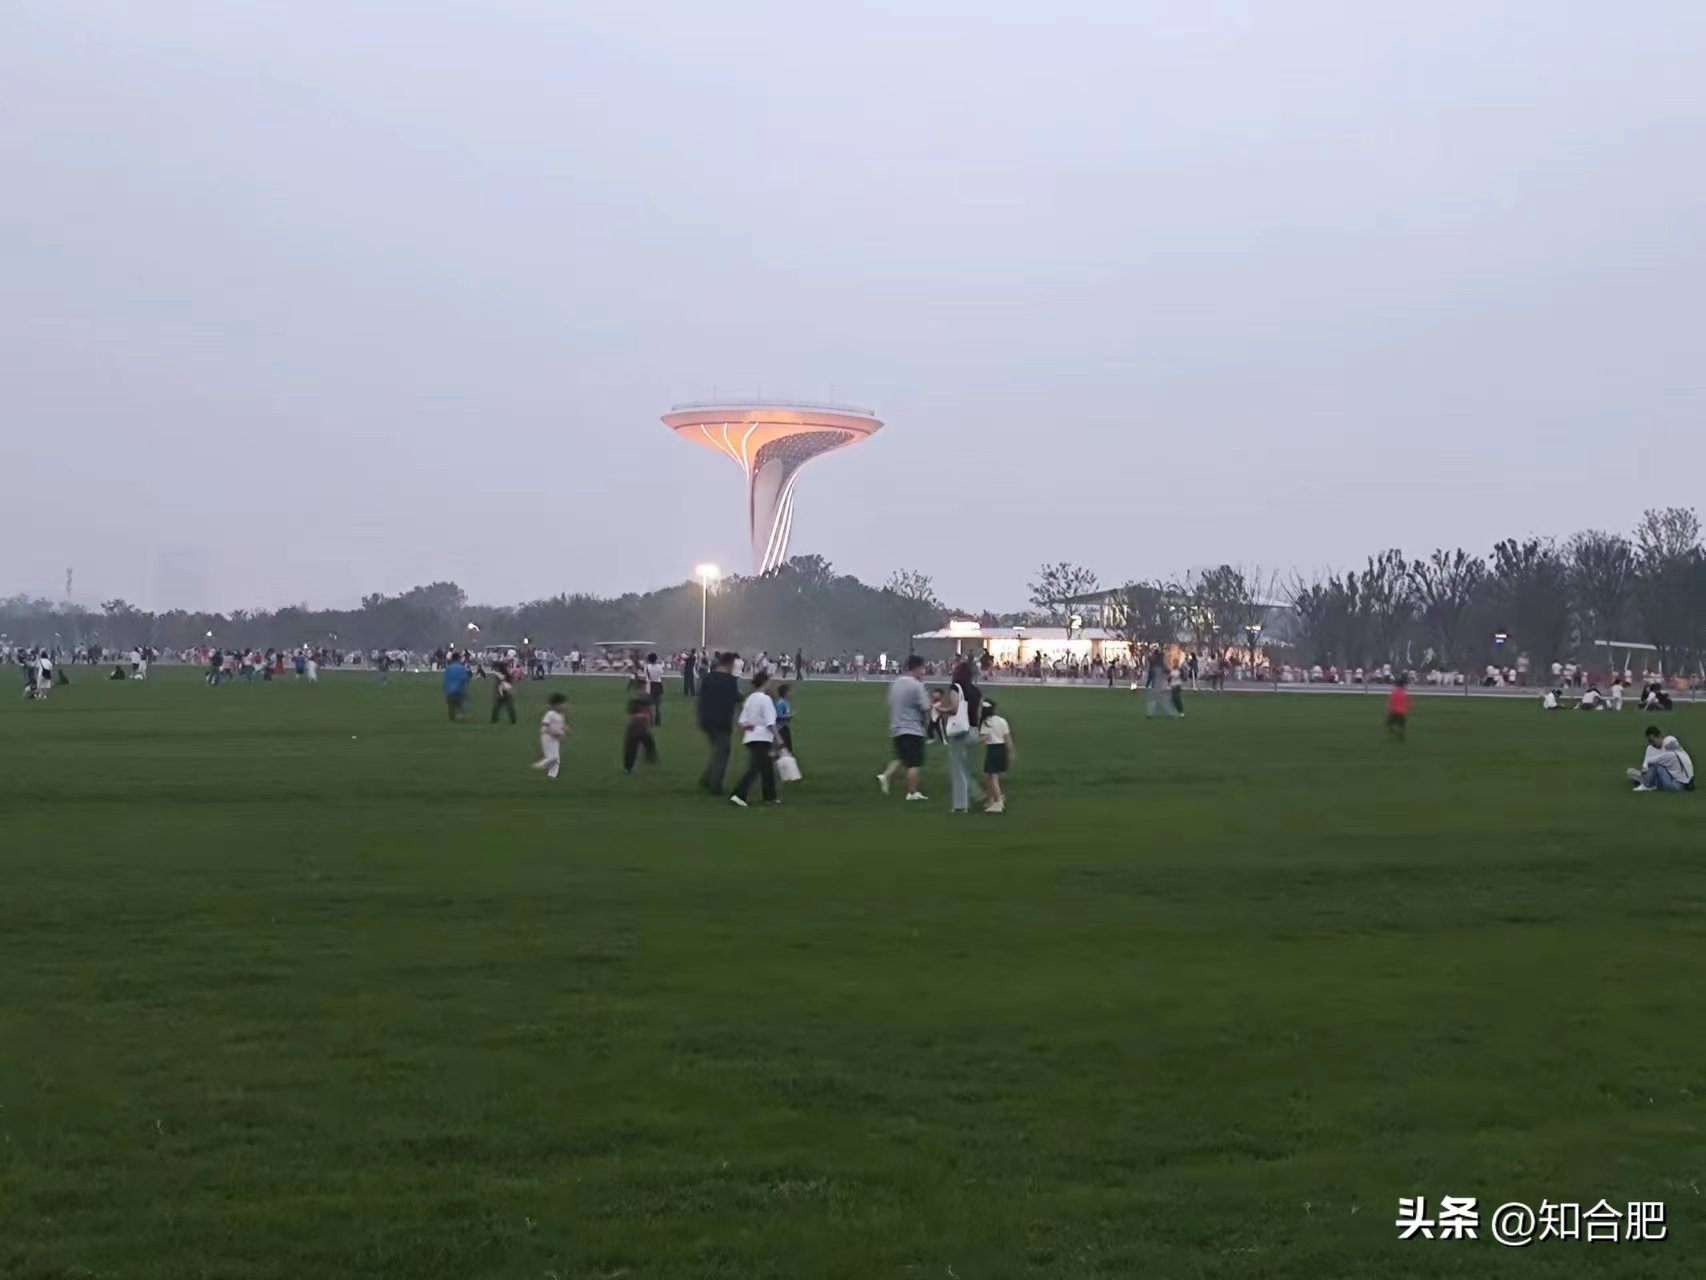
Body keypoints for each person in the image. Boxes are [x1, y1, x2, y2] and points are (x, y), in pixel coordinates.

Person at [879, 655, 931, 801]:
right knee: (914, 762)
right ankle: (912, 792)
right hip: (912, 727)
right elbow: (925, 708)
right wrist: (926, 726)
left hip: (897, 726)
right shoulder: (917, 685)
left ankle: (886, 776)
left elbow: (890, 703)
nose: (924, 672)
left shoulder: (895, 683)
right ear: (918, 668)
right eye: (923, 668)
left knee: (902, 757)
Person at [939, 660, 984, 813]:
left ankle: (960, 806)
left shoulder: (956, 687)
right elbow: (978, 712)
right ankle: (980, 796)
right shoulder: (976, 690)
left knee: (958, 770)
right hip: (974, 730)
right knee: (966, 769)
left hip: (960, 732)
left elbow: (955, 708)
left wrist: (940, 709)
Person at [730, 670, 779, 806]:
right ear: (765, 682)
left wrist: (749, 726)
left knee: (767, 766)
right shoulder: (766, 699)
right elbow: (770, 723)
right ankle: (739, 794)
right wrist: (779, 738)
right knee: (755, 767)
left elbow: (742, 721)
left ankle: (770, 796)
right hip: (763, 738)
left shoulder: (750, 698)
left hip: (751, 737)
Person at [697, 651, 739, 794]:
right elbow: (736, 700)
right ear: (730, 664)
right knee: (723, 753)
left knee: (717, 750)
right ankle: (715, 786)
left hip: (706, 720)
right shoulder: (731, 681)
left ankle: (706, 779)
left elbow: (701, 698)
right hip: (722, 721)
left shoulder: (707, 678)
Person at [1627, 726, 1695, 792]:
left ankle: (1646, 785)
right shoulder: (1650, 749)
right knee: (1630, 772)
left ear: (1660, 736)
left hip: (1676, 783)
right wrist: (1645, 767)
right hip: (1666, 776)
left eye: (1653, 741)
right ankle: (1648, 781)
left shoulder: (1669, 743)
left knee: (1656, 766)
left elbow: (1670, 756)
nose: (1652, 744)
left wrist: (1649, 763)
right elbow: (1646, 765)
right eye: (1650, 741)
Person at [979, 697, 1013, 814]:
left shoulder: (985, 722)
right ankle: (993, 798)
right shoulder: (1002, 720)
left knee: (992, 778)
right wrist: (1011, 752)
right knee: (991, 777)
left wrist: (974, 740)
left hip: (993, 750)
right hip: (1002, 748)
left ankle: (998, 802)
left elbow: (985, 738)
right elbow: (1007, 737)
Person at [622, 677, 659, 774]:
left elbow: (631, 713)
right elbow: (650, 710)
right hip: (640, 724)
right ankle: (647, 758)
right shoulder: (644, 697)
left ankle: (629, 766)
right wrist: (650, 721)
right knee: (638, 745)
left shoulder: (635, 697)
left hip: (635, 724)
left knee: (632, 746)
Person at [533, 692, 569, 779]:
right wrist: (549, 731)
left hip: (556, 738)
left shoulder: (561, 715)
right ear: (556, 705)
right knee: (552, 757)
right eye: (562, 704)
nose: (564, 705)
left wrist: (565, 728)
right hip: (547, 737)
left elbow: (561, 724)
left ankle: (552, 776)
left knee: (556, 759)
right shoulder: (550, 714)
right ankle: (539, 765)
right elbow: (545, 724)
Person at [443, 652, 471, 720]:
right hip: (459, 690)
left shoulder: (448, 668)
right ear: (458, 659)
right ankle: (459, 715)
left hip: (449, 690)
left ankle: (452, 716)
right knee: (459, 704)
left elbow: (446, 680)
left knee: (451, 706)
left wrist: (445, 690)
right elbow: (466, 678)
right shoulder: (461, 668)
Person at [1386, 673, 1409, 741]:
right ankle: (1400, 732)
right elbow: (1406, 703)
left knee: (1391, 722)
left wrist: (1389, 710)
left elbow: (1391, 702)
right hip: (1402, 711)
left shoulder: (1394, 692)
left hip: (1394, 711)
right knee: (1402, 724)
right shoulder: (1404, 693)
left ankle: (1393, 729)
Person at [644, 652, 665, 726]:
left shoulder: (647, 667)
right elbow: (661, 673)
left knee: (650, 705)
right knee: (657, 705)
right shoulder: (658, 666)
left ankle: (651, 721)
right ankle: (658, 721)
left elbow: (645, 675)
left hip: (649, 685)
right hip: (658, 684)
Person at [774, 682, 795, 755]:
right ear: (785, 693)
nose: (791, 693)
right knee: (783, 745)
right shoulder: (781, 703)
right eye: (789, 691)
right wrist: (789, 716)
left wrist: (789, 715)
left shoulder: (786, 702)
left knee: (787, 745)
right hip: (781, 728)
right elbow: (778, 716)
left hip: (786, 727)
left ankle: (788, 756)